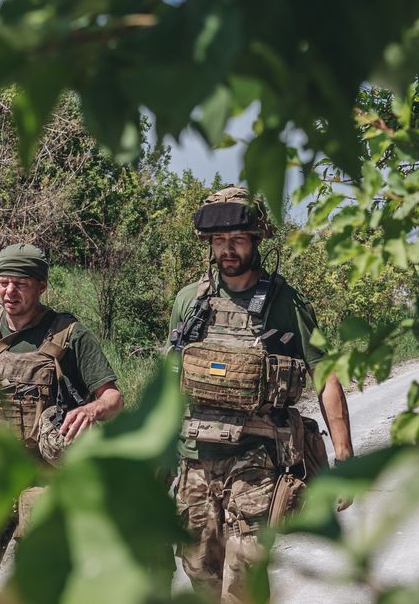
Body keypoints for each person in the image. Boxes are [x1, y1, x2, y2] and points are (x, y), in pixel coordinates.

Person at [168, 186, 353, 603]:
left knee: (245, 569)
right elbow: (170, 382)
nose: (227, 250)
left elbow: (325, 375)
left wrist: (344, 454)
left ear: (256, 241)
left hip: (259, 457)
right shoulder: (189, 303)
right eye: (219, 241)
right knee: (199, 570)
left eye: (237, 240)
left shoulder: (286, 303)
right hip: (195, 459)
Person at [0, 243, 125, 604]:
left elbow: (113, 398)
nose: (10, 292)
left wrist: (90, 410)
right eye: (3, 283)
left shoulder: (70, 335)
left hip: (44, 476)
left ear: (42, 286)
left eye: (21, 284)